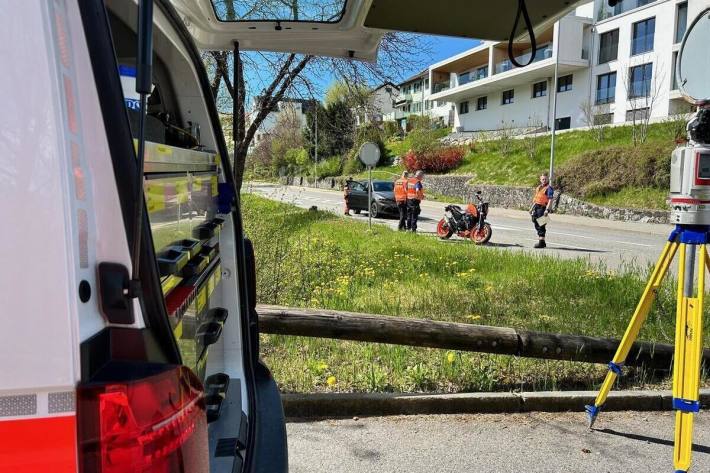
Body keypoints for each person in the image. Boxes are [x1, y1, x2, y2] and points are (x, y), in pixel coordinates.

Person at [530, 173, 554, 248]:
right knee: (534, 220)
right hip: (537, 207)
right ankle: (542, 241)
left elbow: (550, 200)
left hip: (543, 208)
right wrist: (531, 208)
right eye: (543, 179)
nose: (544, 180)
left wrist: (547, 209)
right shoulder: (539, 188)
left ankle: (541, 242)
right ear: (540, 180)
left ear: (548, 180)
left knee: (542, 224)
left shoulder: (549, 188)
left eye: (545, 179)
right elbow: (536, 199)